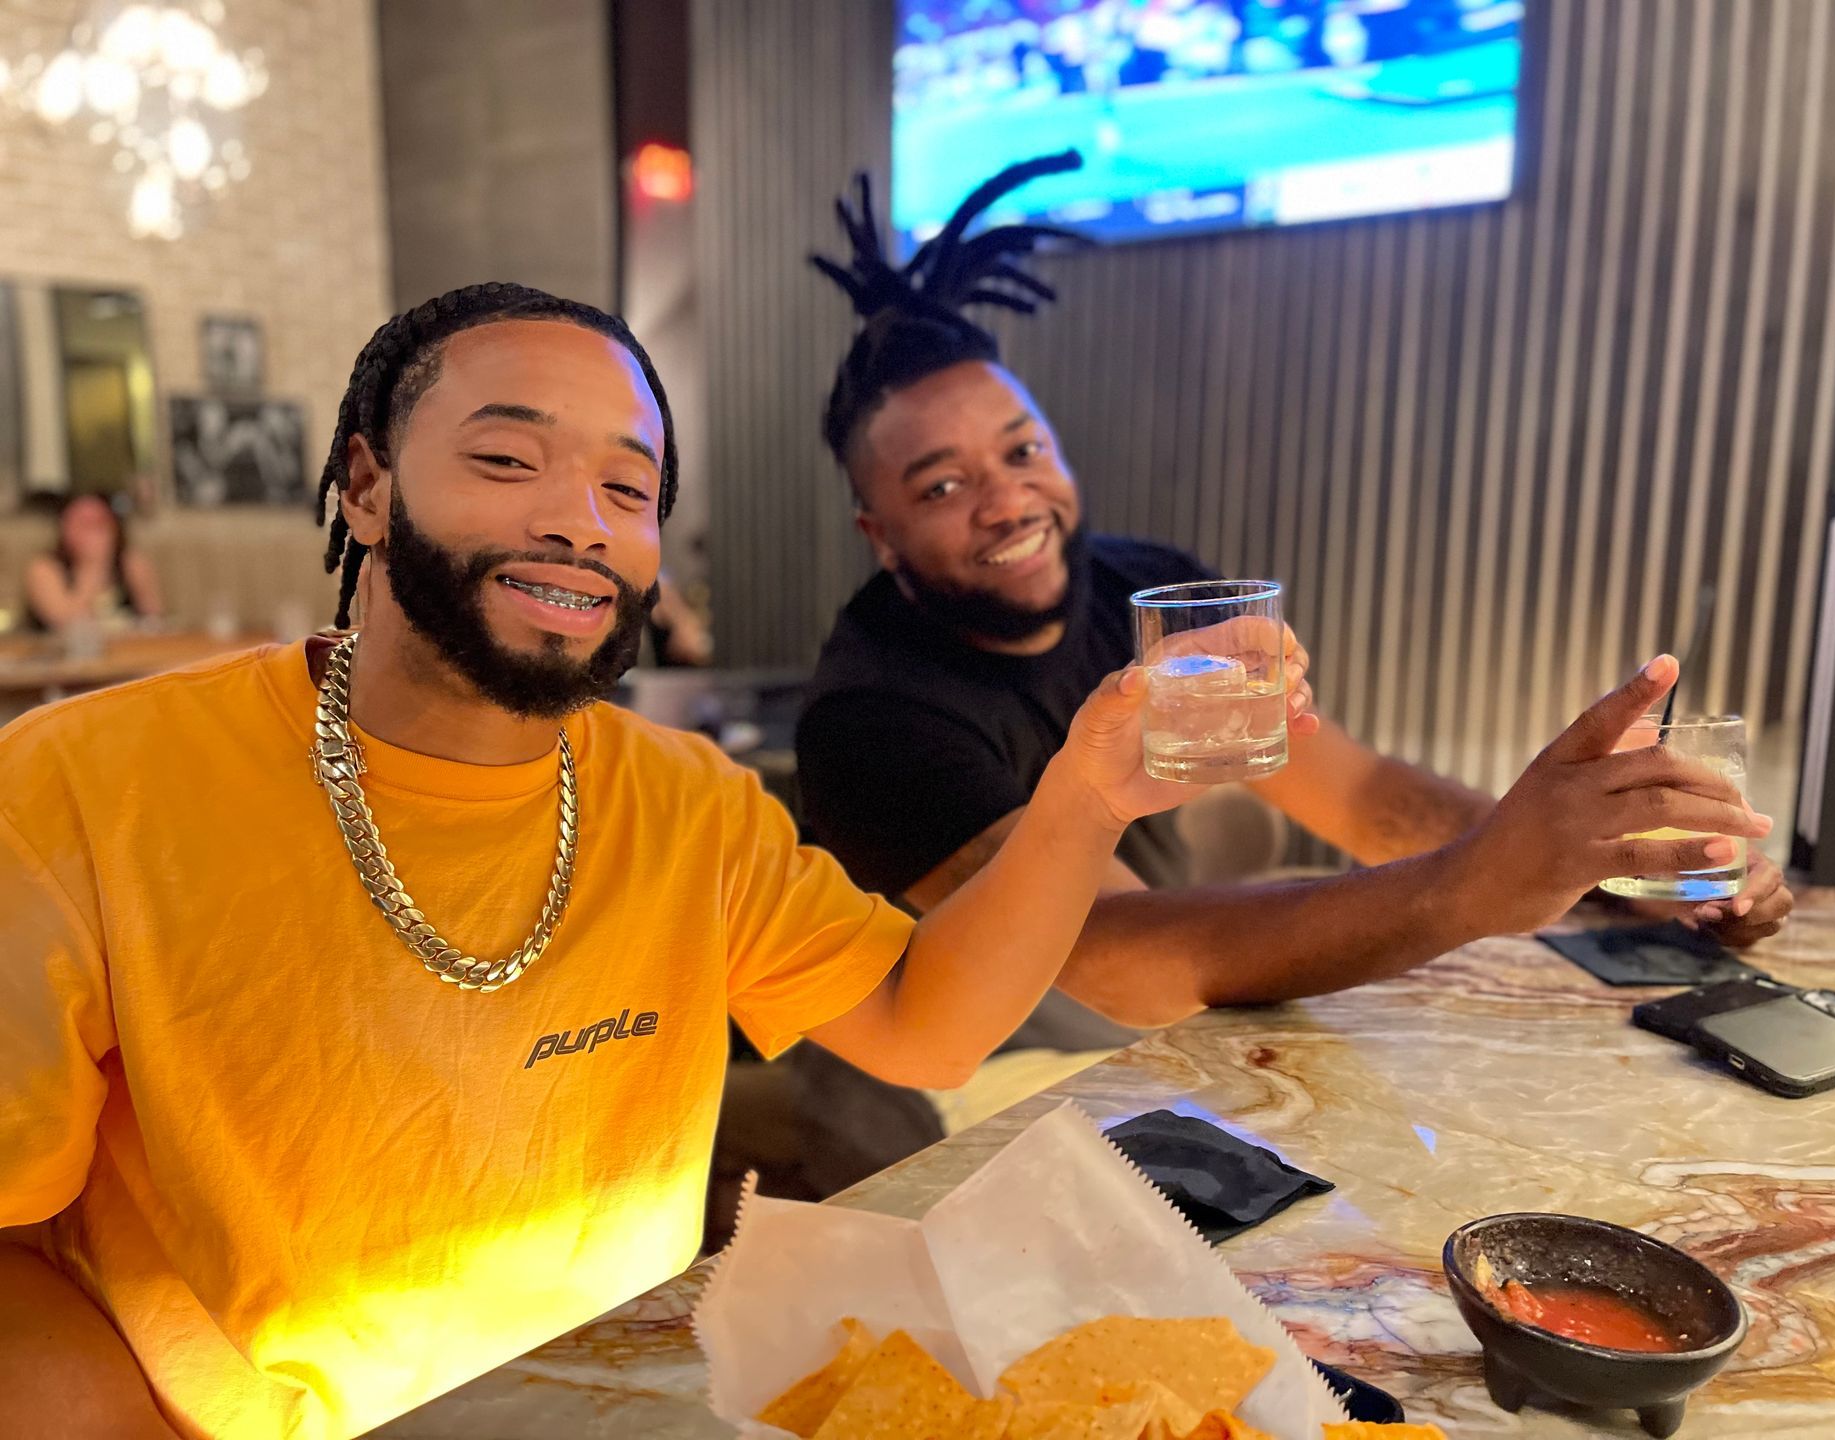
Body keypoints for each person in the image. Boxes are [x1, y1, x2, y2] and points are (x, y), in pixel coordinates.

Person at [0, 282, 1209, 1440]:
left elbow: (923, 1025)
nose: (579, 519)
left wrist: (1088, 795)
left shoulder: (689, 806)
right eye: (508, 461)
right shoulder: (84, 787)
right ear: (365, 486)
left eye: (627, 487)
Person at [796, 151, 1790, 1051]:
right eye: (941, 486)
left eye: (1022, 451)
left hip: (1169, 1057)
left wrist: (1607, 874)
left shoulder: (1146, 593)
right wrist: (1478, 888)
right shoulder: (874, 718)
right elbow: (1118, 962)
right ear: (879, 537)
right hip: (970, 1106)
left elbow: (1363, 799)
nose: (1008, 500)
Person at [22, 493, 164, 632]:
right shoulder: (44, 568)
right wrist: (93, 567)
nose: (93, 533)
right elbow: (64, 621)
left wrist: (138, 577)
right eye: (83, 523)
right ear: (65, 528)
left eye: (99, 523)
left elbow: (155, 618)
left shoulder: (130, 562)